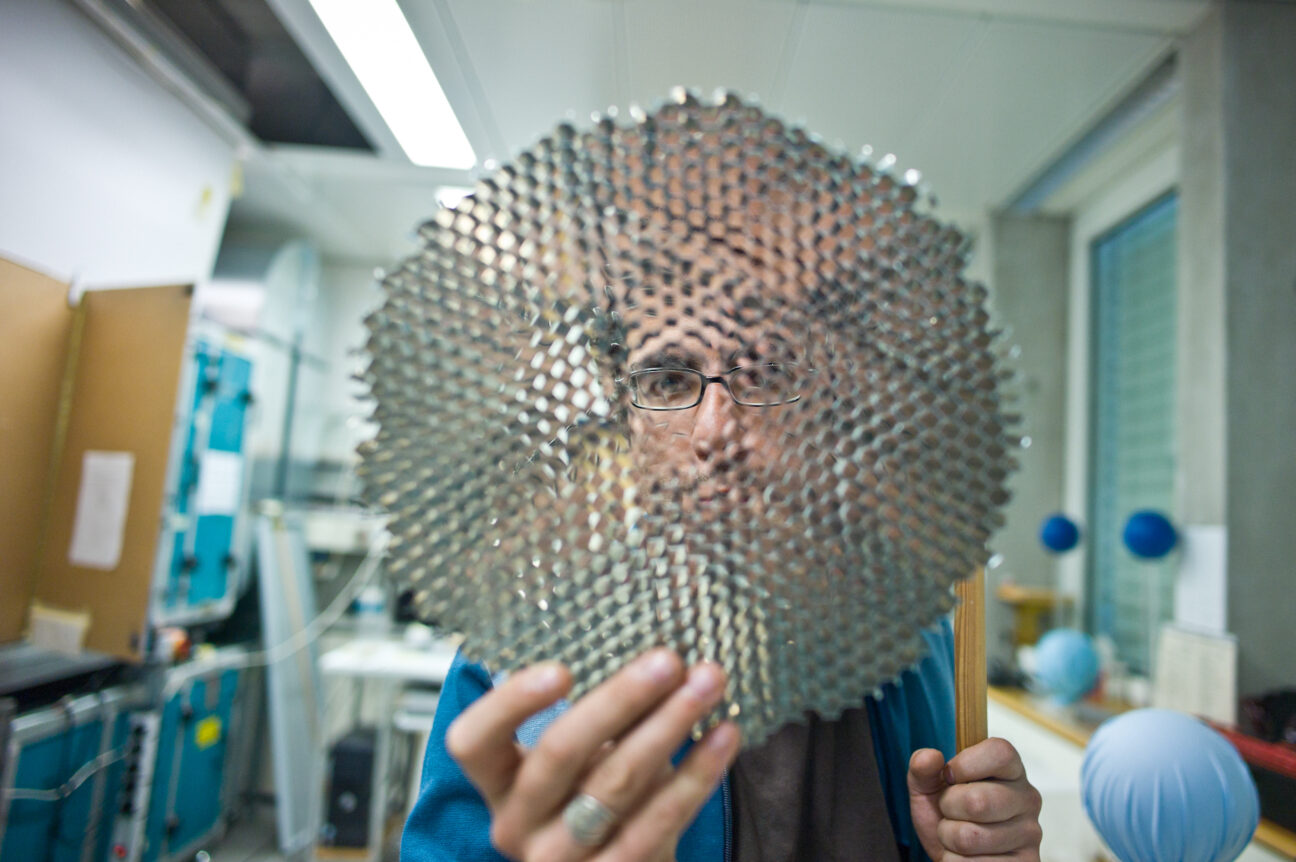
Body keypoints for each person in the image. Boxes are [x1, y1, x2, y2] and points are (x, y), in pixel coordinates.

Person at [400, 243, 1044, 861]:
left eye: (765, 373)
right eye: (669, 379)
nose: (716, 430)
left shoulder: (915, 638)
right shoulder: (522, 657)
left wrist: (985, 848)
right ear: (626, 415)